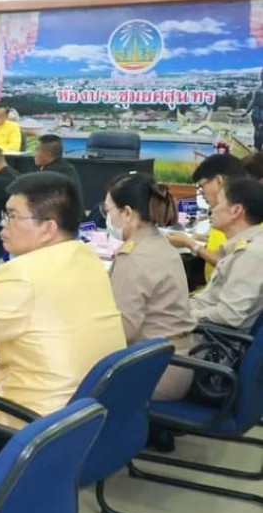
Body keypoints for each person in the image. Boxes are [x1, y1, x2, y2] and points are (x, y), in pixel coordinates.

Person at [0, 173, 126, 426]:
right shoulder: (86, 257)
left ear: (48, 228)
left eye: (12, 216)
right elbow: (16, 309)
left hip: (34, 421)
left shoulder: (21, 274)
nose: (3, 224)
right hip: (86, 413)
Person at [104, 173, 196, 400]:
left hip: (153, 371)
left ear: (127, 213)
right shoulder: (162, 245)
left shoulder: (133, 257)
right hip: (176, 362)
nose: (107, 218)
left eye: (108, 211)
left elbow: (123, 330)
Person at [189, 178, 263, 331]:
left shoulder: (250, 254)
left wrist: (182, 317)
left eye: (218, 203)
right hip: (201, 323)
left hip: (205, 337)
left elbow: (229, 316)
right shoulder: (244, 245)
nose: (212, 209)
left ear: (235, 211)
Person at [167, 153, 247, 277]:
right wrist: (203, 239)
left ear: (219, 181)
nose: (201, 193)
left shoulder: (243, 215)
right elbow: (227, 248)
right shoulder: (222, 213)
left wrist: (190, 244)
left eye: (201, 186)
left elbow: (231, 264)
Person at [34, 133, 83, 208]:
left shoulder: (50, 176)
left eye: (37, 151)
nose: (34, 154)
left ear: (47, 155)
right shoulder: (66, 167)